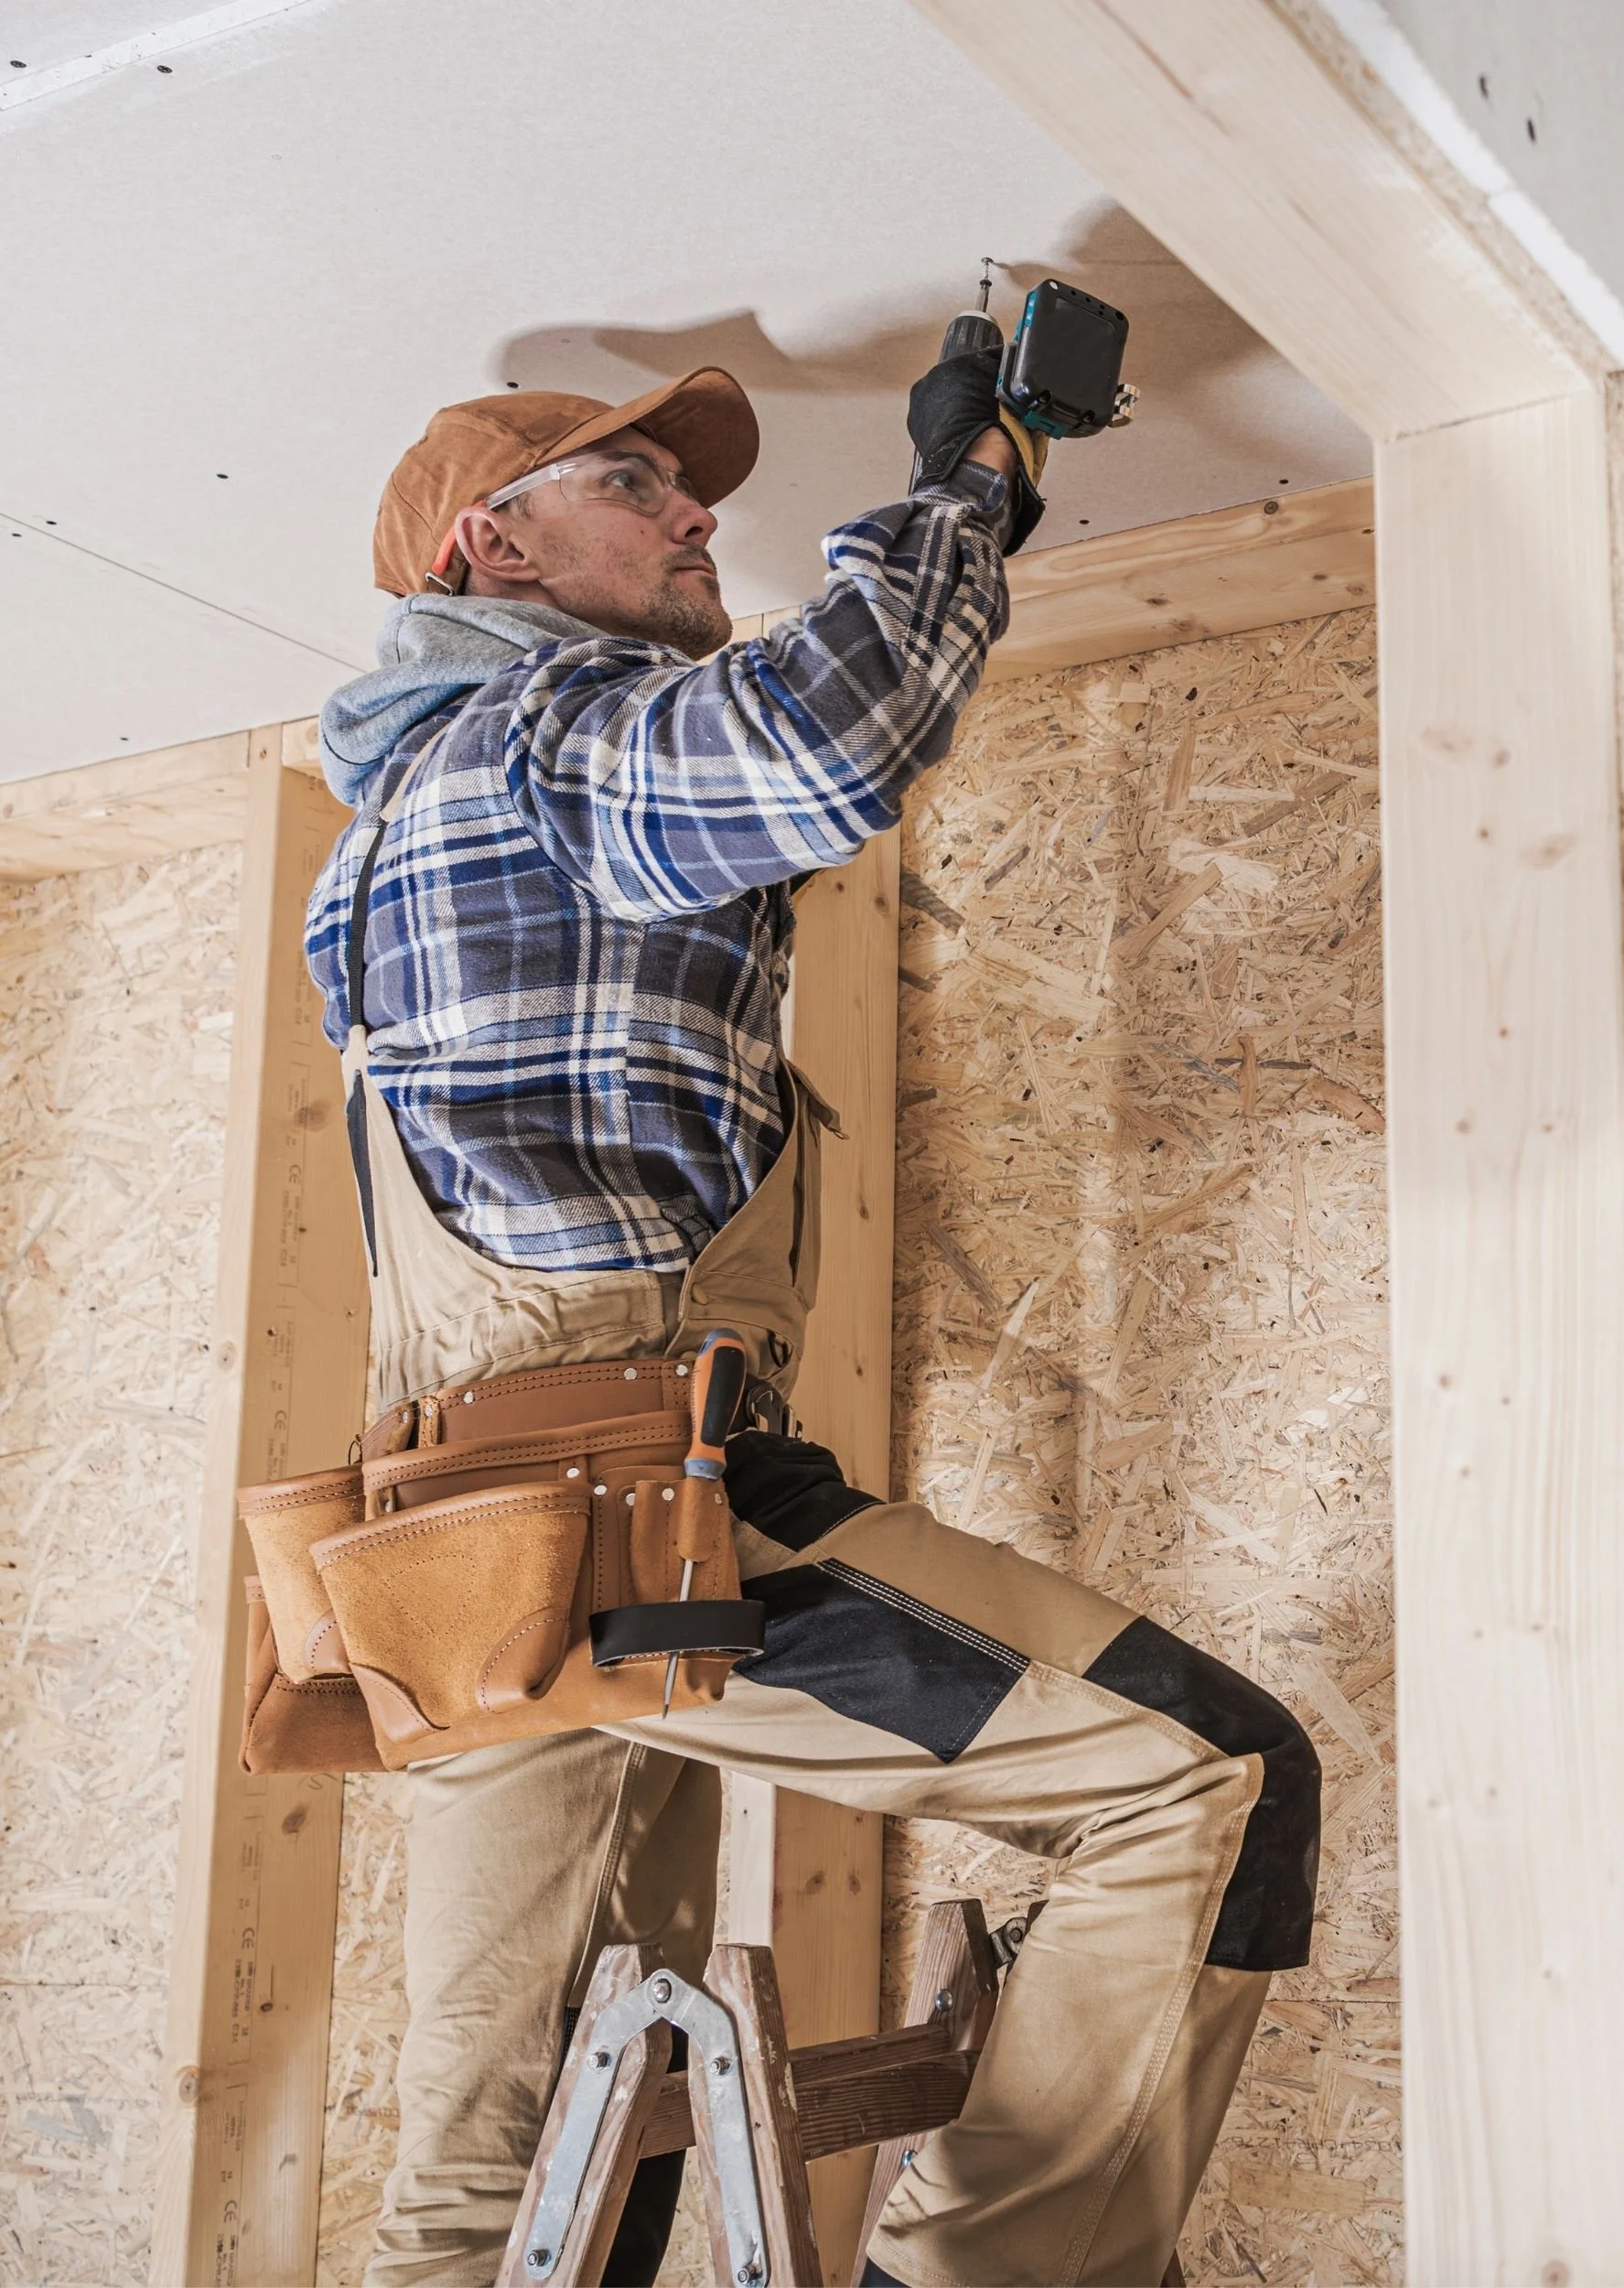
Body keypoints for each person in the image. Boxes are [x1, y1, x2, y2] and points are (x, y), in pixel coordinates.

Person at [304, 357, 1321, 2288]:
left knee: (512, 2174)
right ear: (484, 545)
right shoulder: (535, 738)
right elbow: (825, 737)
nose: (697, 515)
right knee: (1207, 1776)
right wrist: (977, 478)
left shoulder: (396, 834)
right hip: (631, 1507)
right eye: (635, 483)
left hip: (466, 1556)